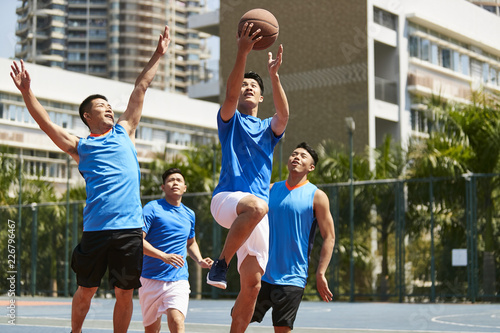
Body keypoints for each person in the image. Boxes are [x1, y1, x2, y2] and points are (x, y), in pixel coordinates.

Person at [10, 26, 171, 333]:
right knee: (87, 290)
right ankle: (76, 331)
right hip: (96, 229)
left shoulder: (125, 131)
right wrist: (27, 92)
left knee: (125, 293)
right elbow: (46, 125)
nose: (108, 108)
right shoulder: (81, 146)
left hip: (128, 229)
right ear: (87, 116)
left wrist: (158, 54)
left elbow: (140, 88)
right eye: (101, 106)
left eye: (109, 105)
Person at [206, 22, 289, 332]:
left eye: (254, 86)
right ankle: (221, 263)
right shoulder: (229, 120)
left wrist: (274, 75)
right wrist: (242, 51)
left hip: (256, 212)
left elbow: (284, 116)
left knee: (252, 287)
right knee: (257, 206)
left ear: (262, 97)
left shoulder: (269, 130)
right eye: (244, 85)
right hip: (228, 199)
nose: (248, 87)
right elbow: (229, 94)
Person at [251, 142, 335, 332]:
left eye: (303, 156)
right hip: (261, 272)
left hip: (292, 277)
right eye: (294, 154)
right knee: (240, 319)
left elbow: (329, 237)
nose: (296, 157)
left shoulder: (317, 196)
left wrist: (321, 273)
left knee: (281, 329)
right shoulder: (270, 189)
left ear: (311, 167)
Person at [140, 167, 213, 333]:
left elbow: (191, 243)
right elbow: (138, 240)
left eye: (179, 180)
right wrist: (163, 256)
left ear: (184, 188)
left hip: (178, 278)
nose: (175, 183)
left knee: (177, 321)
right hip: (150, 279)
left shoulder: (189, 214)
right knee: (151, 330)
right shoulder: (152, 208)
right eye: (170, 180)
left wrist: (200, 260)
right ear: (163, 187)